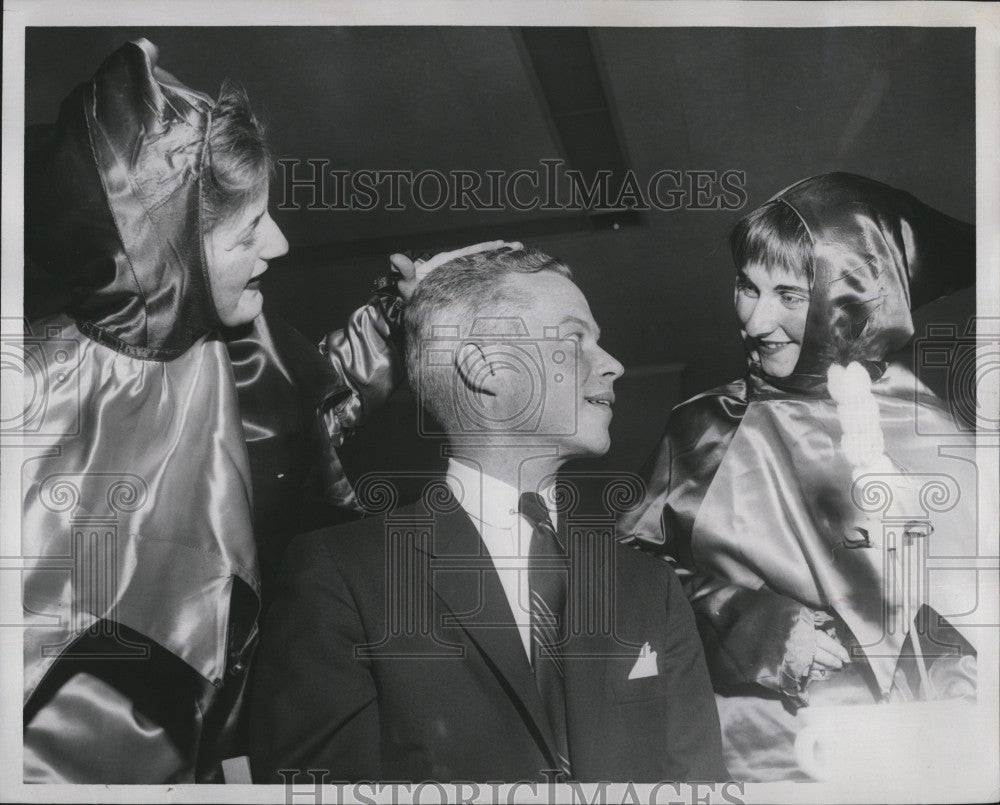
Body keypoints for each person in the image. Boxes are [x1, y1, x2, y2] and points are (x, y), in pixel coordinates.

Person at [20, 38, 505, 783]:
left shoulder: (240, 339)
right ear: (162, 251)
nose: (278, 243)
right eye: (248, 231)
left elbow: (298, 418)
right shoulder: (23, 401)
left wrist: (397, 322)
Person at [248, 247, 728, 783]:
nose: (612, 364)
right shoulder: (340, 577)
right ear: (485, 367)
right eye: (575, 339)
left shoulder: (650, 588)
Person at [617, 172, 978, 781]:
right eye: (747, 286)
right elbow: (627, 581)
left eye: (789, 294)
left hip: (921, 758)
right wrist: (751, 623)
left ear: (857, 301)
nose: (756, 323)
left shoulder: (936, 430)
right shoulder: (702, 429)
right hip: (760, 756)